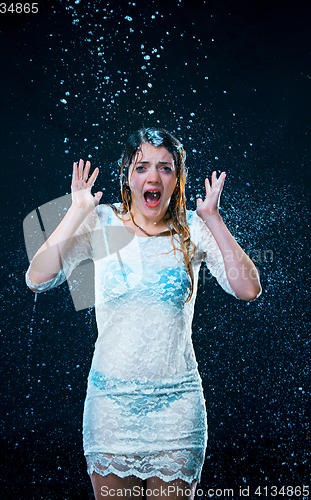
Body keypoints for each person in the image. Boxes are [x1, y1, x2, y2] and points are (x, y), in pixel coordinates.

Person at [26, 127, 261, 499]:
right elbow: (38, 278)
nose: (153, 177)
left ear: (177, 178)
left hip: (177, 406)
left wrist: (214, 219)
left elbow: (248, 288)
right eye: (142, 168)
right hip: (110, 404)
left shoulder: (192, 229)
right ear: (128, 177)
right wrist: (76, 211)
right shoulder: (102, 222)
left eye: (165, 168)